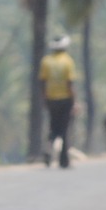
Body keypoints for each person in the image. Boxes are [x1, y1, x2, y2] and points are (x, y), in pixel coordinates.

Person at [39, 34, 77, 168]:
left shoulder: (46, 61)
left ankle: (48, 150)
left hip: (51, 100)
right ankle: (63, 160)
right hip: (65, 99)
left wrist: (45, 99)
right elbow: (70, 84)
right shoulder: (68, 61)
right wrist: (74, 102)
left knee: (53, 128)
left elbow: (43, 82)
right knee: (65, 129)